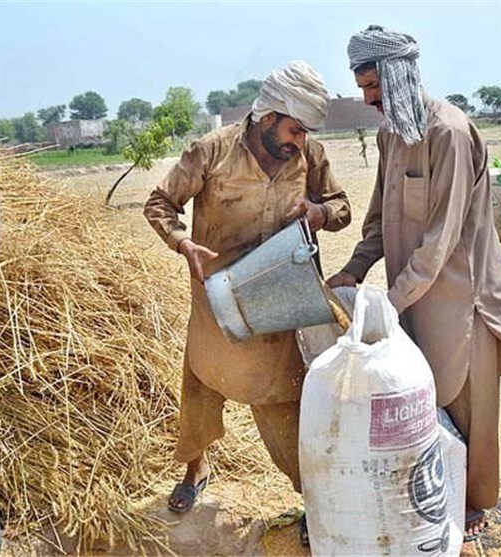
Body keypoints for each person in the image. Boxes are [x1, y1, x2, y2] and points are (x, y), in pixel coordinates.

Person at [327, 25, 501, 542]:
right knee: (420, 396)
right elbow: (379, 217)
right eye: (363, 90)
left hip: (459, 295)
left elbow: (441, 240)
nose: (368, 102)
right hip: (409, 294)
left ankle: (475, 502)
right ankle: (435, 488)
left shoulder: (449, 132)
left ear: (401, 77)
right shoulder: (390, 135)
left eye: (374, 90)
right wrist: (356, 268)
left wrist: (387, 301)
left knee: (467, 402)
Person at [143, 61, 351, 533]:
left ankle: (312, 497)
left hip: (279, 302)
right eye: (294, 129)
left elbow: (341, 208)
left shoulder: (309, 155)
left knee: (283, 401)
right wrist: (182, 242)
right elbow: (160, 204)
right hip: (216, 299)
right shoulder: (211, 151)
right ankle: (195, 470)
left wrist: (318, 213)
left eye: (304, 134)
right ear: (268, 114)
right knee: (202, 385)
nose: (298, 141)